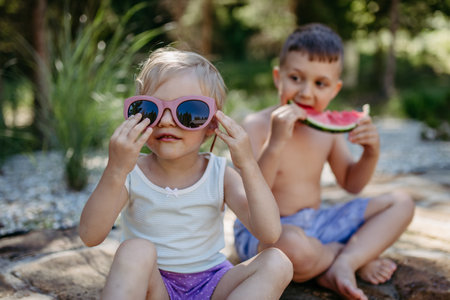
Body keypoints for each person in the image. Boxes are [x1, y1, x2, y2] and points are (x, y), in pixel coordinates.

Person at [79, 48, 292, 300]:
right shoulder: (130, 172)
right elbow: (90, 236)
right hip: (155, 288)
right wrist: (115, 169)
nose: (166, 121)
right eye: (151, 110)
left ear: (213, 124)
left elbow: (269, 233)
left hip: (213, 285)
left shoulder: (219, 173)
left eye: (189, 110)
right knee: (134, 250)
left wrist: (248, 165)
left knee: (277, 262)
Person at [233, 23, 415, 300]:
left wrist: (370, 153)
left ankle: (344, 263)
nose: (306, 92)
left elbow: (351, 184)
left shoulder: (327, 133)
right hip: (267, 232)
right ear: (277, 76)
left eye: (320, 84)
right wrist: (276, 143)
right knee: (289, 246)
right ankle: (346, 254)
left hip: (318, 222)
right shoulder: (256, 125)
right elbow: (250, 196)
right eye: (296, 78)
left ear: (335, 90)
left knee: (402, 202)